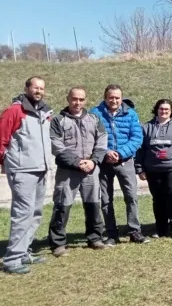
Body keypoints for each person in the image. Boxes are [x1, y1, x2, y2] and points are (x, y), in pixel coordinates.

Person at [48, 87, 108, 257]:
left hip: (90, 170)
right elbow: (56, 146)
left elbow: (102, 142)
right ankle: (58, 244)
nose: (78, 103)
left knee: (93, 204)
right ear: (68, 99)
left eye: (81, 99)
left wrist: (93, 161)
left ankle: (95, 238)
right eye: (74, 99)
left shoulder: (94, 119)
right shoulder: (58, 121)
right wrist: (77, 162)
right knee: (62, 205)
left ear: (85, 100)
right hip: (68, 171)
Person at [0, 77, 52, 274]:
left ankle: (24, 252)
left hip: (41, 168)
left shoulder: (44, 113)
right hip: (22, 171)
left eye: (41, 88)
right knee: (22, 214)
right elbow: (1, 140)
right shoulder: (15, 111)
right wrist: (7, 162)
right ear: (26, 88)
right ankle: (12, 259)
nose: (38, 91)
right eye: (35, 87)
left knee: (35, 213)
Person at [92, 84, 148, 246]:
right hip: (103, 162)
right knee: (106, 198)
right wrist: (106, 152)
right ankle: (111, 233)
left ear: (121, 99)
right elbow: (92, 137)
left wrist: (121, 153)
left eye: (117, 97)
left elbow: (137, 138)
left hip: (125, 161)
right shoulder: (95, 114)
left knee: (131, 197)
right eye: (111, 97)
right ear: (105, 98)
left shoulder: (131, 114)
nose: (114, 100)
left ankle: (134, 231)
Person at [136, 99, 172, 241]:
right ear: (157, 109)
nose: (164, 111)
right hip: (152, 169)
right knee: (158, 198)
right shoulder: (147, 127)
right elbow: (140, 150)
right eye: (161, 109)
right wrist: (140, 168)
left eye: (167, 109)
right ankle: (161, 228)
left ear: (171, 110)